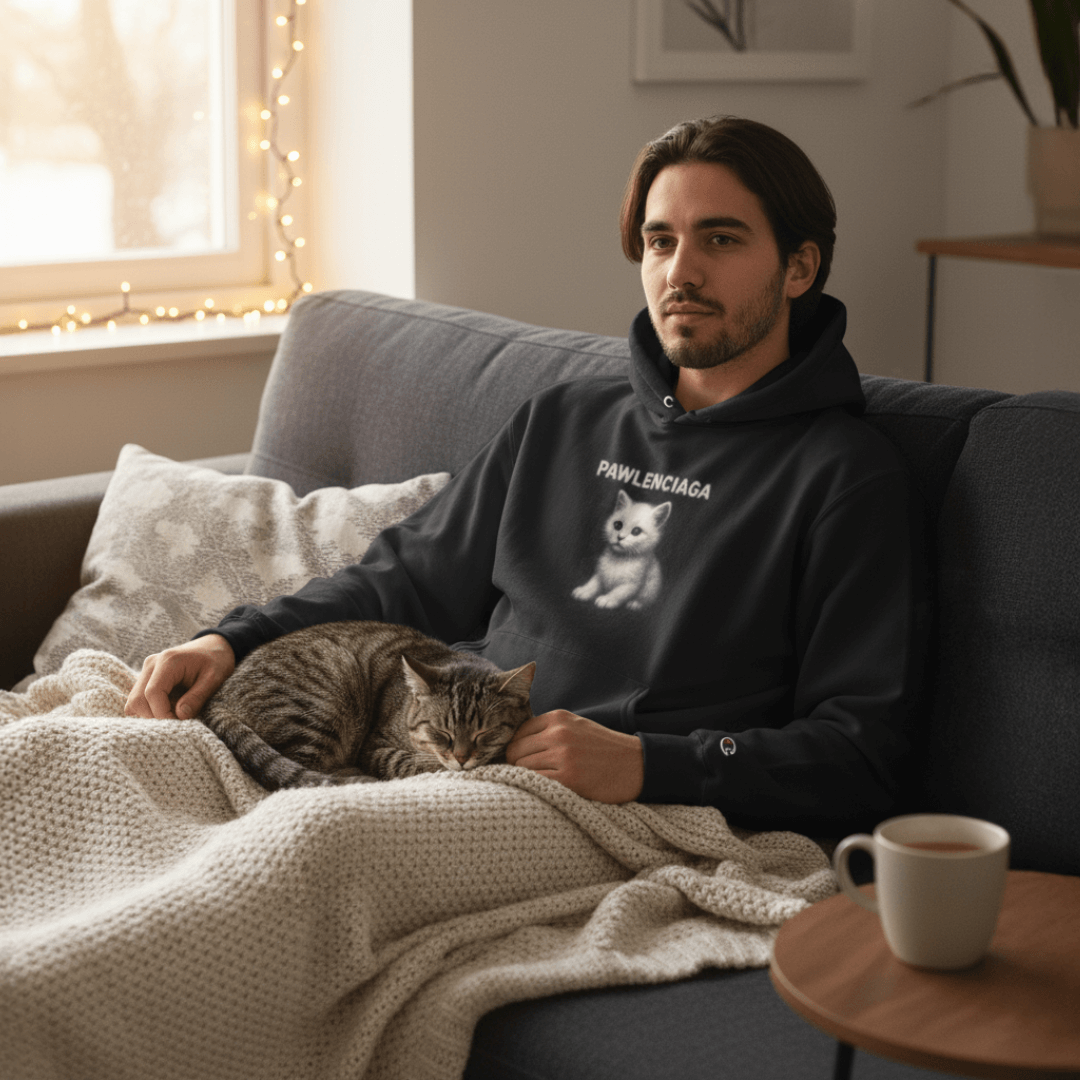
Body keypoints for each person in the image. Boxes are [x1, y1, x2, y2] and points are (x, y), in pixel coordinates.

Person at [127, 116, 926, 833]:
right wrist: (232, 639)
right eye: (659, 241)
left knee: (276, 862)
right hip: (453, 760)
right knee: (104, 767)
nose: (681, 272)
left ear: (798, 268)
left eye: (720, 240)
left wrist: (652, 763)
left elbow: (860, 752)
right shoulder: (564, 419)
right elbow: (402, 578)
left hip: (611, 813)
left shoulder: (845, 477)